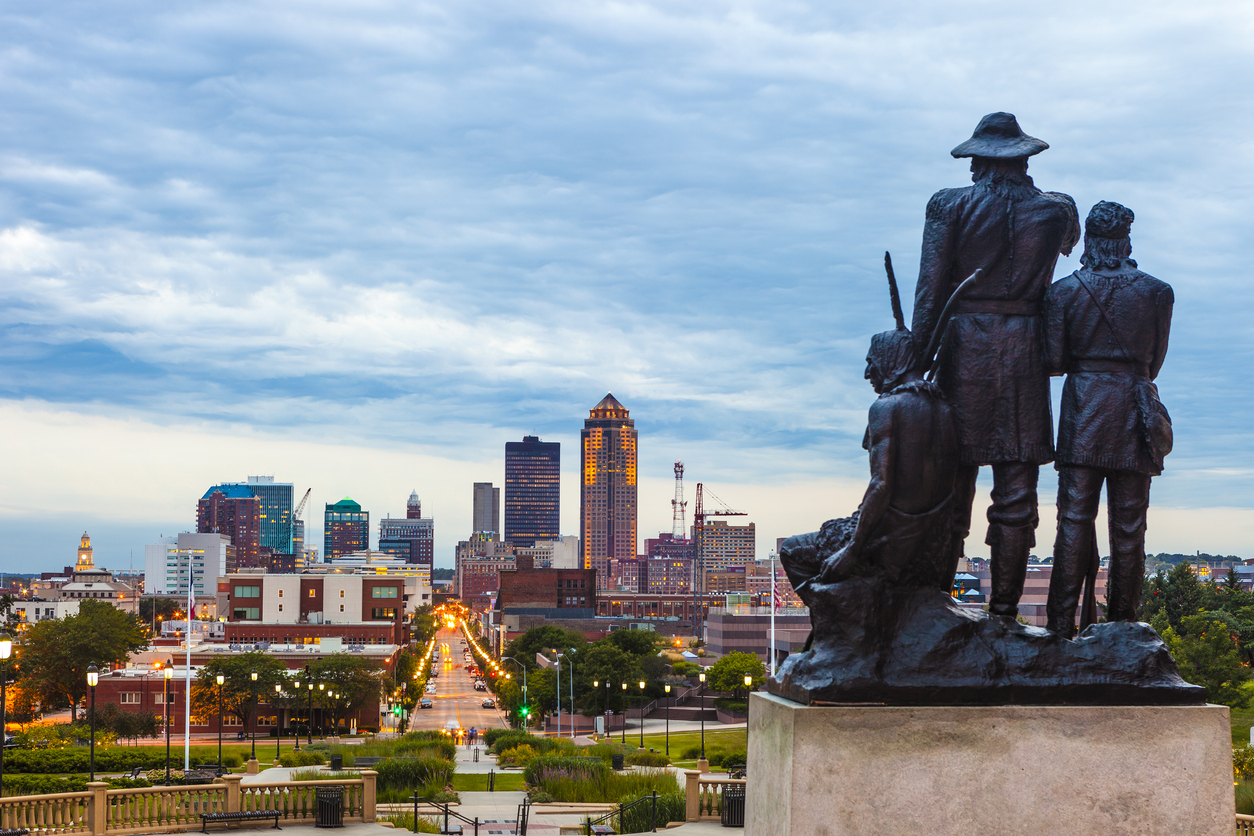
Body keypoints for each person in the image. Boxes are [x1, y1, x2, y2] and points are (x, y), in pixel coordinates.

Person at [911, 112, 1081, 618]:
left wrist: (914, 364)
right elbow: (1071, 248)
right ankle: (1005, 609)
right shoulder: (1056, 210)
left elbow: (930, 288)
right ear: (1024, 161)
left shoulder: (949, 205)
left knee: (951, 479)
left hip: (964, 347)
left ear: (980, 161)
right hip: (1026, 347)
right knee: (1016, 486)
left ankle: (936, 600)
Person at [1043, 201, 1173, 636]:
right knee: (1130, 525)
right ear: (1126, 240)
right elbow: (1154, 363)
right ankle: (1122, 624)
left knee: (1073, 519)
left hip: (1083, 409)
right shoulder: (1157, 291)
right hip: (1134, 410)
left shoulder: (1063, 292)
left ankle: (1059, 626)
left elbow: (1056, 360)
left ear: (1091, 242)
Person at [781, 326, 960, 598]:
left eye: (871, 363)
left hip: (889, 539)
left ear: (891, 360)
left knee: (791, 550)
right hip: (930, 543)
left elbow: (881, 485)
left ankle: (841, 626)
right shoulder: (945, 410)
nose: (868, 374)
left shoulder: (887, 407)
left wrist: (851, 550)